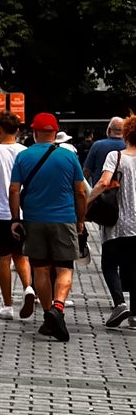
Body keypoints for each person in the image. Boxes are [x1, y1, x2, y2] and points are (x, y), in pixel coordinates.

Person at [9, 112, 88, 344]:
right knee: (65, 268)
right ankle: (58, 308)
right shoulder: (69, 156)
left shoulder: (24, 157)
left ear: (33, 132)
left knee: (40, 270)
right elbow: (81, 191)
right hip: (64, 219)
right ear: (56, 132)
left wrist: (16, 219)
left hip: (34, 220)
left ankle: (48, 314)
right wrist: (80, 219)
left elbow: (14, 190)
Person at [0, 112, 36, 322]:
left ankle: (8, 305)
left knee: (3, 260)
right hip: (23, 213)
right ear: (18, 131)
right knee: (21, 256)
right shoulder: (26, 152)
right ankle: (29, 288)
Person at [87, 114, 136, 328]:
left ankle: (119, 304)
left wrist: (87, 202)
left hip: (117, 222)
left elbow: (103, 183)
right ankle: (134, 315)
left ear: (126, 133)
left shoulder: (116, 157)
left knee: (109, 264)